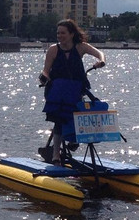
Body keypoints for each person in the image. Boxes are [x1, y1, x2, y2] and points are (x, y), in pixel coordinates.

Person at [38, 19, 105, 164]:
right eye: (58, 33)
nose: (60, 36)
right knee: (59, 120)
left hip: (75, 90)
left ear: (71, 34)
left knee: (79, 115)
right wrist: (44, 77)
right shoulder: (53, 49)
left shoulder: (80, 47)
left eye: (63, 33)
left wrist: (101, 61)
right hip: (57, 90)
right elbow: (46, 69)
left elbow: (99, 53)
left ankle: (73, 141)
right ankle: (56, 155)